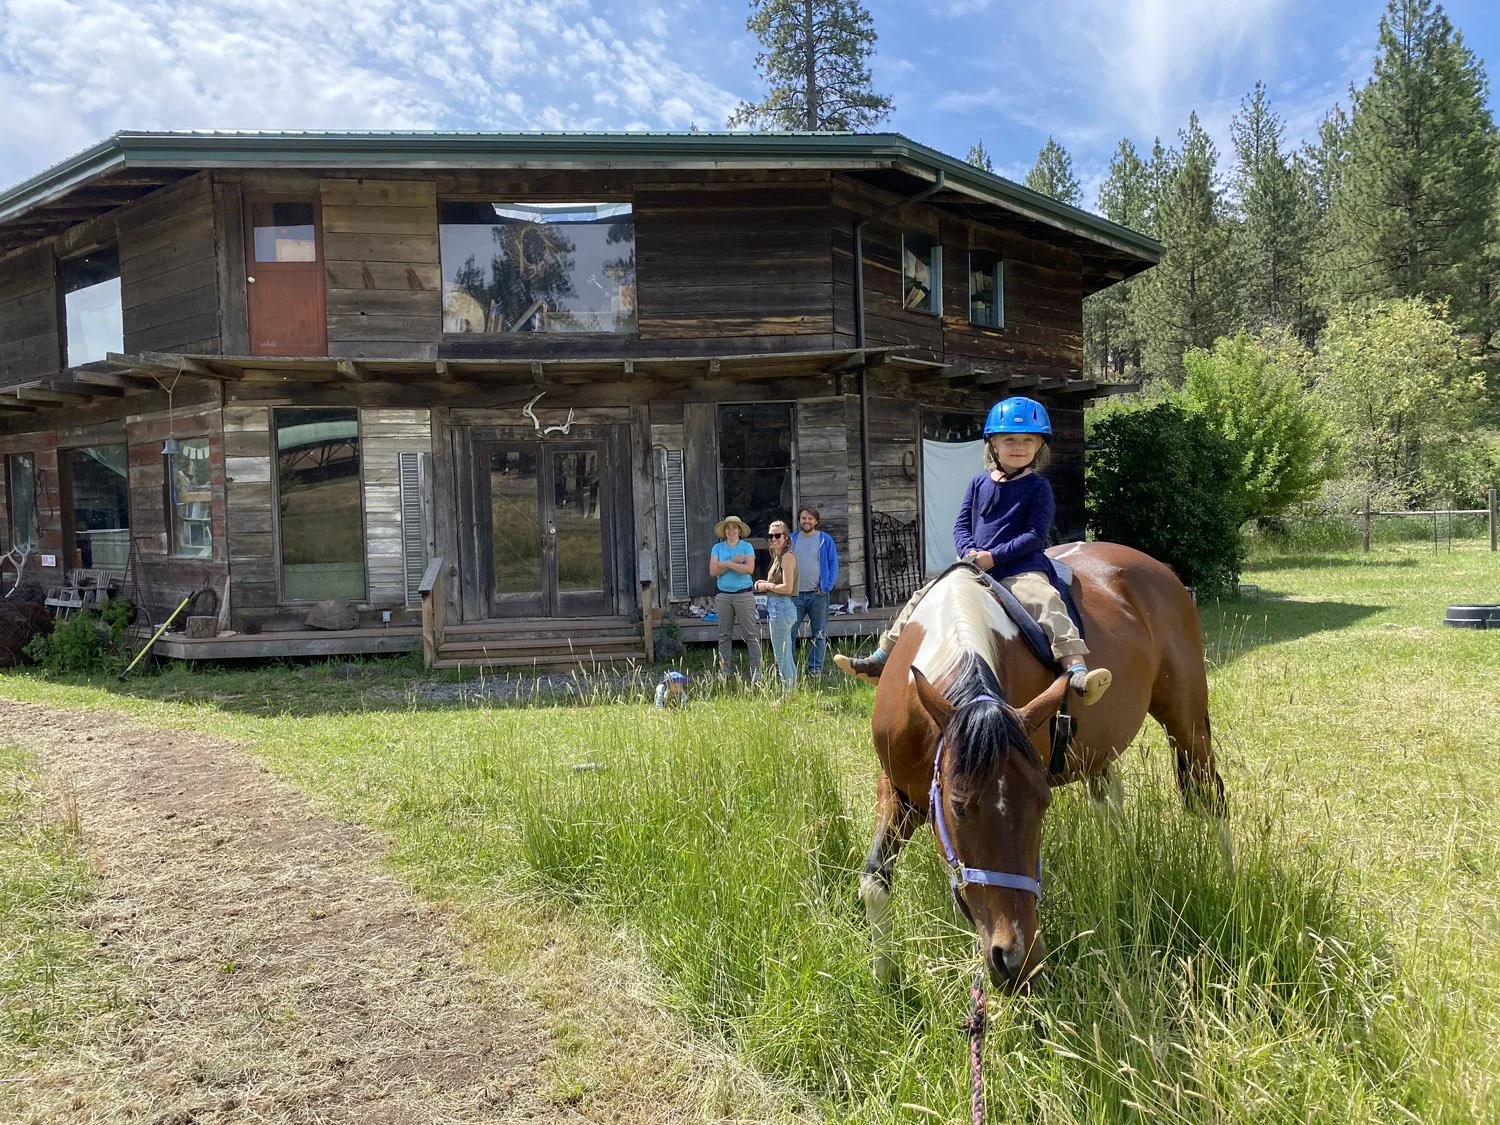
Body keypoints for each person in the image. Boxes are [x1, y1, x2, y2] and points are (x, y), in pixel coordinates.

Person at [834, 397, 1112, 705]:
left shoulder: (1038, 488)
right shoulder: (978, 483)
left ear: (1039, 446)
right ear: (993, 443)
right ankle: (881, 656)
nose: (1017, 447)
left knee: (1046, 602)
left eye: (1027, 440)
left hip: (1020, 569)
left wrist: (994, 557)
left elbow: (1034, 536)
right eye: (1009, 440)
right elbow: (961, 524)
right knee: (921, 596)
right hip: (975, 567)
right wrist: (967, 550)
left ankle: (1076, 670)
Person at [709, 514, 762, 680]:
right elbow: (713, 572)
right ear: (724, 531)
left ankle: (757, 670)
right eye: (728, 527)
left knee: (751, 634)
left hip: (743, 594)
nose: (731, 530)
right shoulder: (717, 548)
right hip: (723, 595)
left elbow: (748, 569)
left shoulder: (746, 547)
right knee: (724, 635)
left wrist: (725, 564)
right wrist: (733, 562)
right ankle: (724, 670)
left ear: (740, 530)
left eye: (734, 527)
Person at [789, 506, 838, 676]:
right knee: (790, 631)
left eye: (810, 518)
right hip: (795, 595)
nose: (806, 521)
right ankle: (789, 668)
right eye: (803, 518)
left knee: (818, 633)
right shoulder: (792, 539)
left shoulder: (825, 539)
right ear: (799, 520)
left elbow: (833, 564)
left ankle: (814, 668)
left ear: (816, 521)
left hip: (818, 595)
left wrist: (826, 586)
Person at [754, 519, 799, 692]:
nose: (773, 538)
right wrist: (766, 583)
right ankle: (792, 692)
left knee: (781, 656)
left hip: (781, 607)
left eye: (777, 535)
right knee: (785, 654)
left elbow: (787, 587)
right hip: (780, 607)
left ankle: (787, 695)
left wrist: (767, 586)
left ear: (786, 538)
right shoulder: (778, 557)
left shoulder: (787, 557)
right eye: (771, 535)